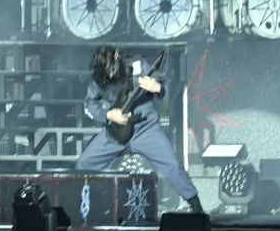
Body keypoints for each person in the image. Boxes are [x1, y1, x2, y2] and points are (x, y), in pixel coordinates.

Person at [75, 44, 203, 214]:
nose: (110, 74)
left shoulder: (138, 64)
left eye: (111, 68)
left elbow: (169, 89)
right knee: (84, 163)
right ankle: (88, 207)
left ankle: (195, 205)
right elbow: (89, 104)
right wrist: (108, 115)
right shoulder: (98, 77)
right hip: (116, 133)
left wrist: (157, 88)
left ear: (117, 56)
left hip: (145, 128)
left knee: (171, 164)